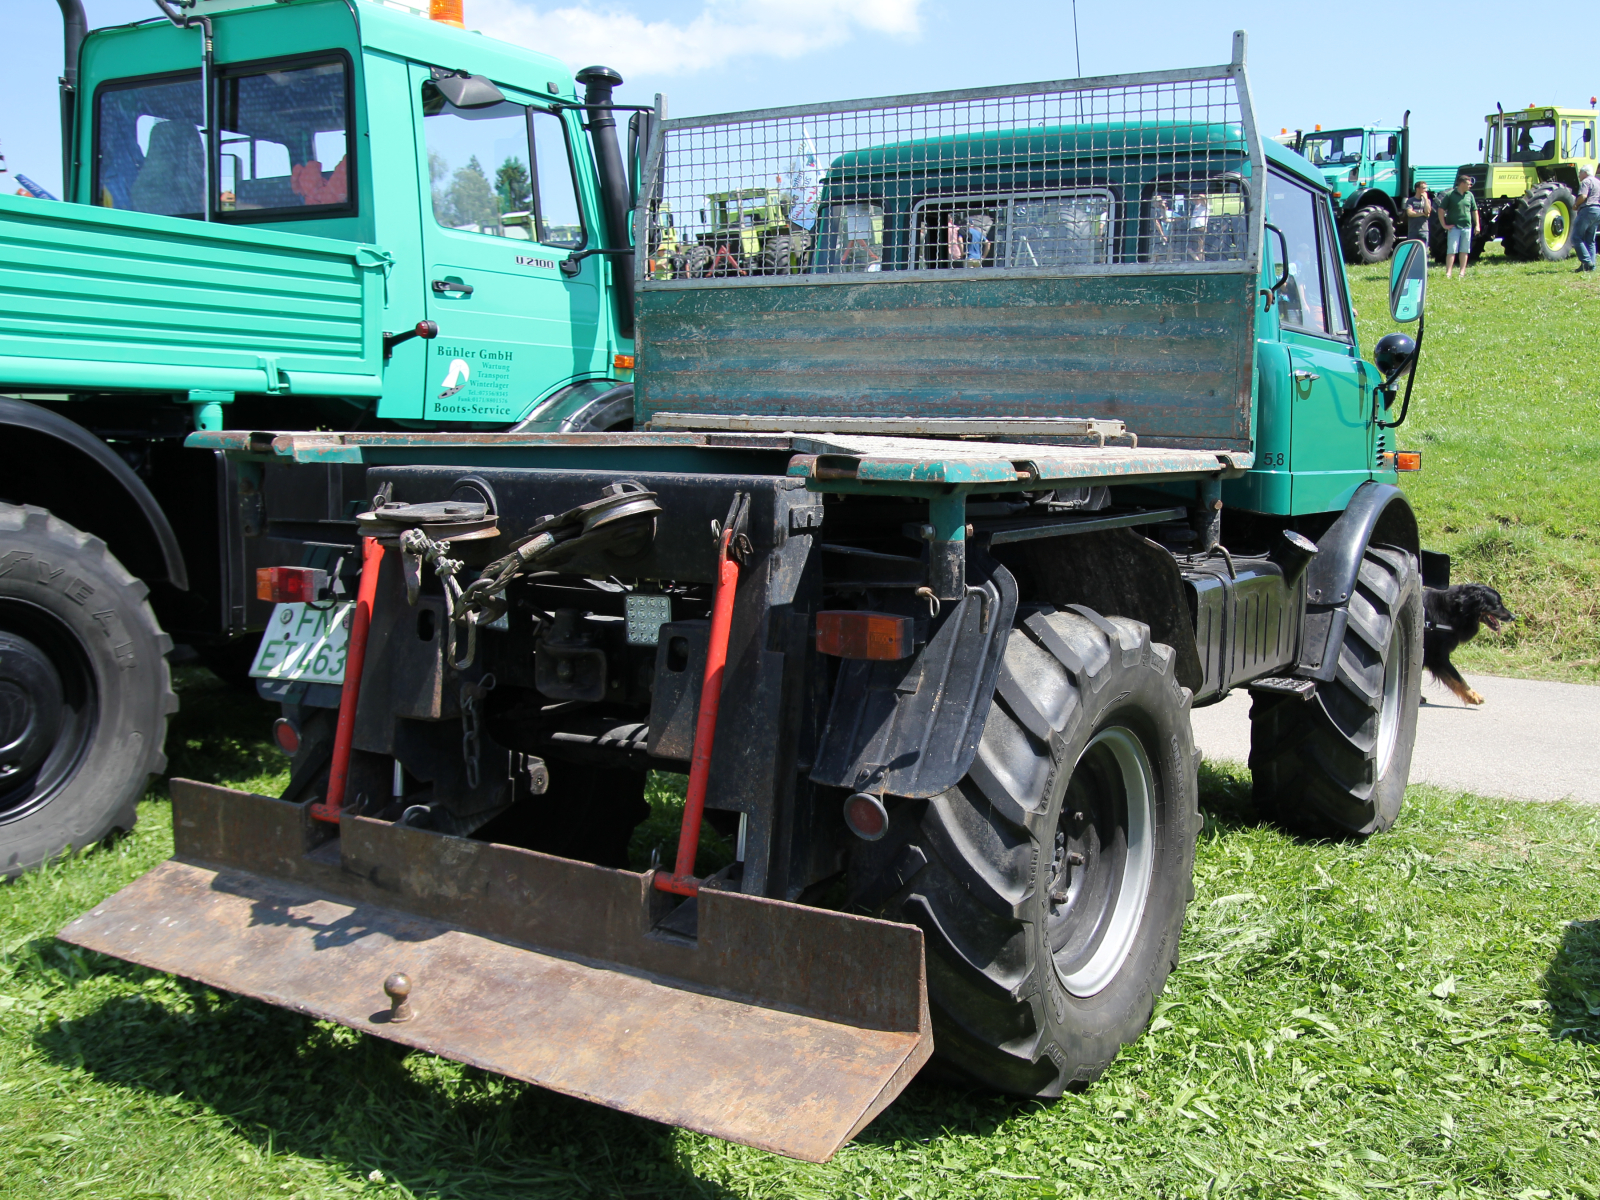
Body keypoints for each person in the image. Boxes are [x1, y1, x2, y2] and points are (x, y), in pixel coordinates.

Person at [1440, 174, 1478, 279]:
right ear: (1462, 183)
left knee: (1464, 250)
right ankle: (1448, 272)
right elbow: (1441, 209)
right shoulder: (1450, 195)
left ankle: (1462, 272)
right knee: (1451, 250)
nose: (1470, 185)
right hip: (1454, 227)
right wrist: (1444, 225)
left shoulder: (1470, 195)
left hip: (1467, 227)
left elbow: (1474, 210)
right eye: (1468, 183)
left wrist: (1477, 225)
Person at [1573, 165, 1600, 272]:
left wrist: (1575, 205)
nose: (1579, 175)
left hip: (1587, 210)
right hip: (1598, 211)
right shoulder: (1598, 182)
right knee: (1590, 240)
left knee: (1576, 237)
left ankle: (1587, 261)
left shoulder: (1586, 182)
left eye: (1580, 172)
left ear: (1585, 173)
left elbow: (1583, 196)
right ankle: (1590, 267)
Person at [1402, 181, 1432, 247]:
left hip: (1424, 230)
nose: (1426, 190)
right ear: (1417, 189)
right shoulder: (1410, 201)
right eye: (1424, 188)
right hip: (1413, 230)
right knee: (1411, 250)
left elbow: (1427, 212)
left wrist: (1426, 199)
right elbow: (1410, 213)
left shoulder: (1427, 201)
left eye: (1426, 188)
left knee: (1424, 251)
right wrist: (1422, 213)